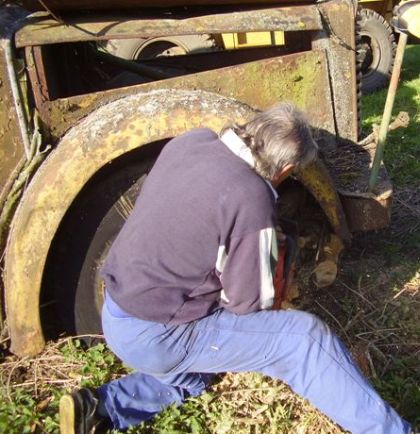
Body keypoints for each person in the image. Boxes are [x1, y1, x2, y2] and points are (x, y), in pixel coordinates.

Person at [59, 103, 412, 434]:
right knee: (302, 341)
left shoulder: (192, 141)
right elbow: (246, 305)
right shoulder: (251, 198)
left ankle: (101, 409)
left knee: (196, 375)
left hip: (118, 310)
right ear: (287, 169)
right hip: (157, 332)